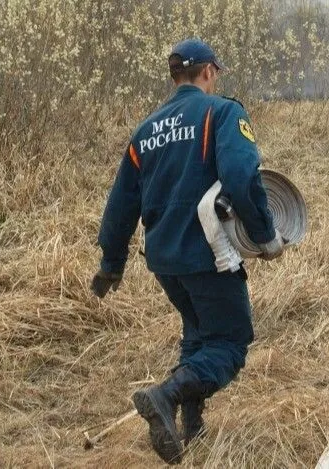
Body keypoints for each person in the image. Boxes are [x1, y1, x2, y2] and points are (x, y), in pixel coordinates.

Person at [91, 38, 285, 465]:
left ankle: (191, 427)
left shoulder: (145, 131)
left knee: (199, 333)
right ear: (209, 72)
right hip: (208, 253)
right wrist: (266, 233)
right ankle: (167, 395)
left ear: (174, 75)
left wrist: (111, 264)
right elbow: (241, 176)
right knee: (231, 341)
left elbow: (120, 203)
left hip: (164, 260)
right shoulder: (222, 113)